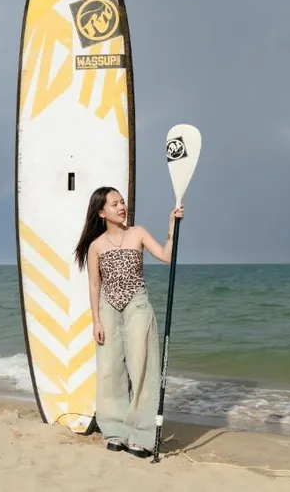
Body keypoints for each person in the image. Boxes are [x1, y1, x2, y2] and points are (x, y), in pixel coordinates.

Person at [74, 185, 184, 458]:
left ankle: (142, 435)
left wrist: (172, 227)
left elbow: (167, 256)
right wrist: (96, 321)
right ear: (101, 212)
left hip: (137, 305)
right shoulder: (96, 246)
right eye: (114, 204)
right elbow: (94, 284)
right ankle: (115, 431)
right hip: (107, 309)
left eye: (122, 202)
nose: (122, 207)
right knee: (110, 370)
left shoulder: (138, 233)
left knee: (142, 367)